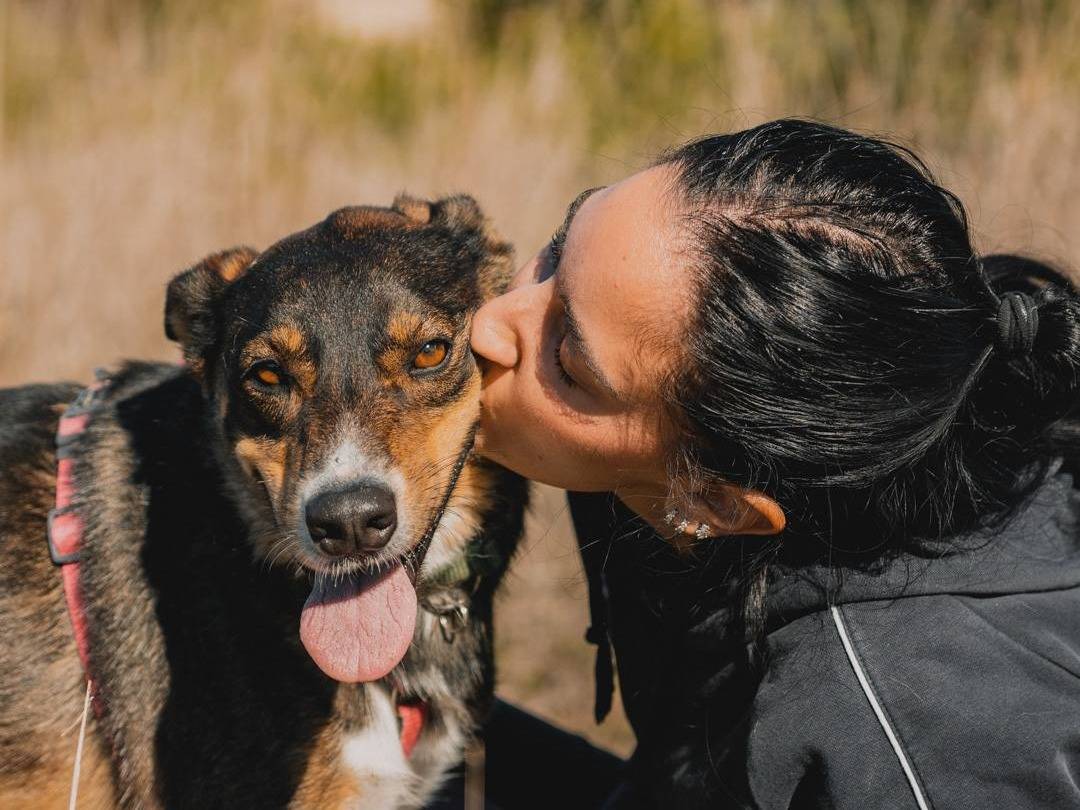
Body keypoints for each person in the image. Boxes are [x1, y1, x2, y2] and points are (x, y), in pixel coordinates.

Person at [467, 119, 1080, 808]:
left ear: (715, 505)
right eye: (556, 252)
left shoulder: (898, 748)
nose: (486, 323)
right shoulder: (679, 459)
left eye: (565, 359)